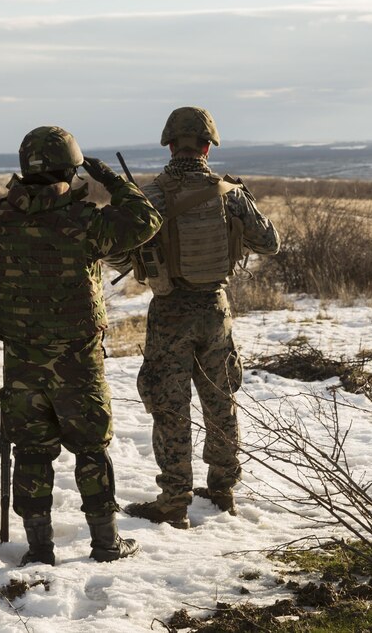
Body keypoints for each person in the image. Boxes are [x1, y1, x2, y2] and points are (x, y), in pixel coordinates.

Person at [0, 126, 161, 565]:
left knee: (31, 451)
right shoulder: (84, 221)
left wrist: (8, 329)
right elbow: (146, 221)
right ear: (71, 166)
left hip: (22, 359)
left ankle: (39, 548)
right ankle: (106, 544)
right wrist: (112, 179)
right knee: (90, 448)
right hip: (78, 359)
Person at [119, 106, 279, 529]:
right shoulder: (229, 192)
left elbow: (114, 250)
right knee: (220, 402)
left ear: (170, 144)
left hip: (170, 312)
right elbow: (270, 243)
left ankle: (175, 502)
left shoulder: (151, 195)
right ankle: (223, 493)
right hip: (215, 310)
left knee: (170, 407)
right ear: (208, 146)